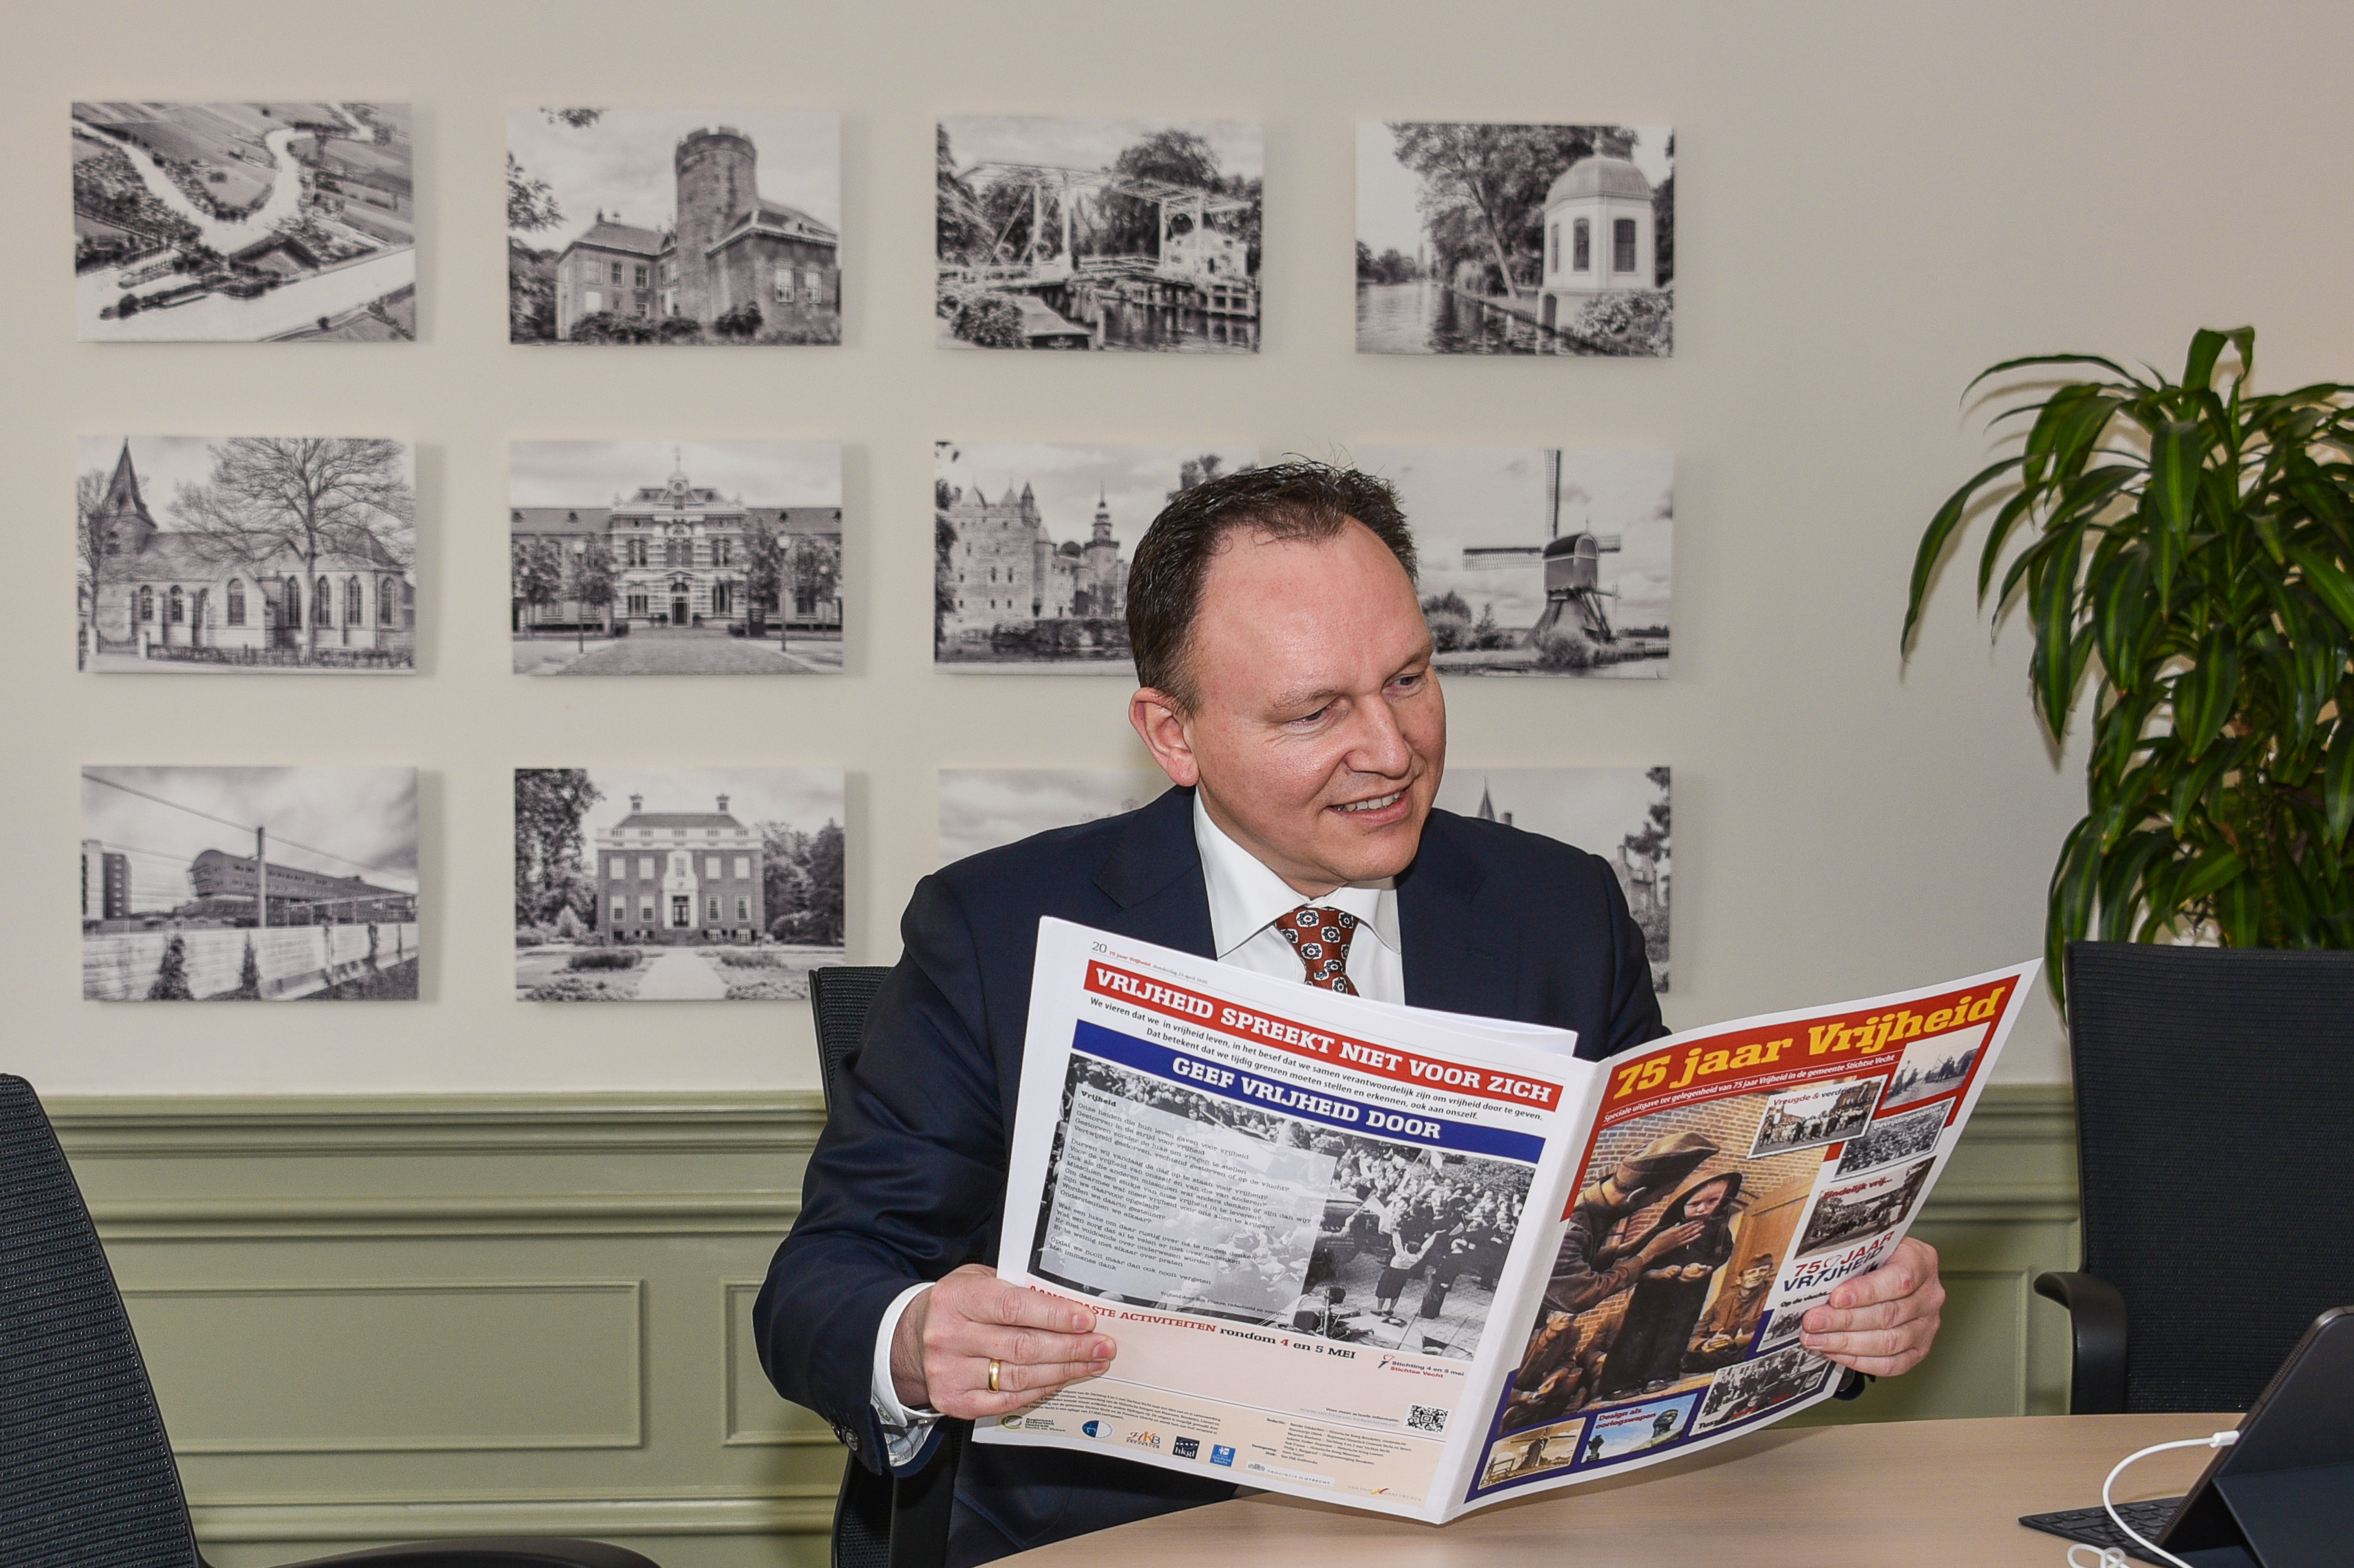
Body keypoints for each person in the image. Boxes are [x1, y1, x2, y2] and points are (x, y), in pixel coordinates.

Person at [753, 462, 1949, 1566]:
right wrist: (918, 1339)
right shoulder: (997, 925)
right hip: (1120, 1533)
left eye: (1410, 679)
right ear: (1172, 734)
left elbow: (1644, 1217)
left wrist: (1820, 1308)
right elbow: (825, 1281)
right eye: (1314, 711)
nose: (1391, 749)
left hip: (1490, 1532)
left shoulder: (1557, 909)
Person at [1594, 1171, 1742, 1398]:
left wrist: (1706, 1268)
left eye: (1713, 1201)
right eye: (1695, 1204)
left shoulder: (1718, 1231)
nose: (1703, 1209)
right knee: (1638, 1335)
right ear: (1681, 1203)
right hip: (1652, 1295)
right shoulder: (1662, 1232)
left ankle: (1660, 1375)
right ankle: (1619, 1384)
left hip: (1689, 1294)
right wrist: (1658, 1273)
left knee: (1677, 1332)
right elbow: (1636, 1262)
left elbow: (1722, 1254)